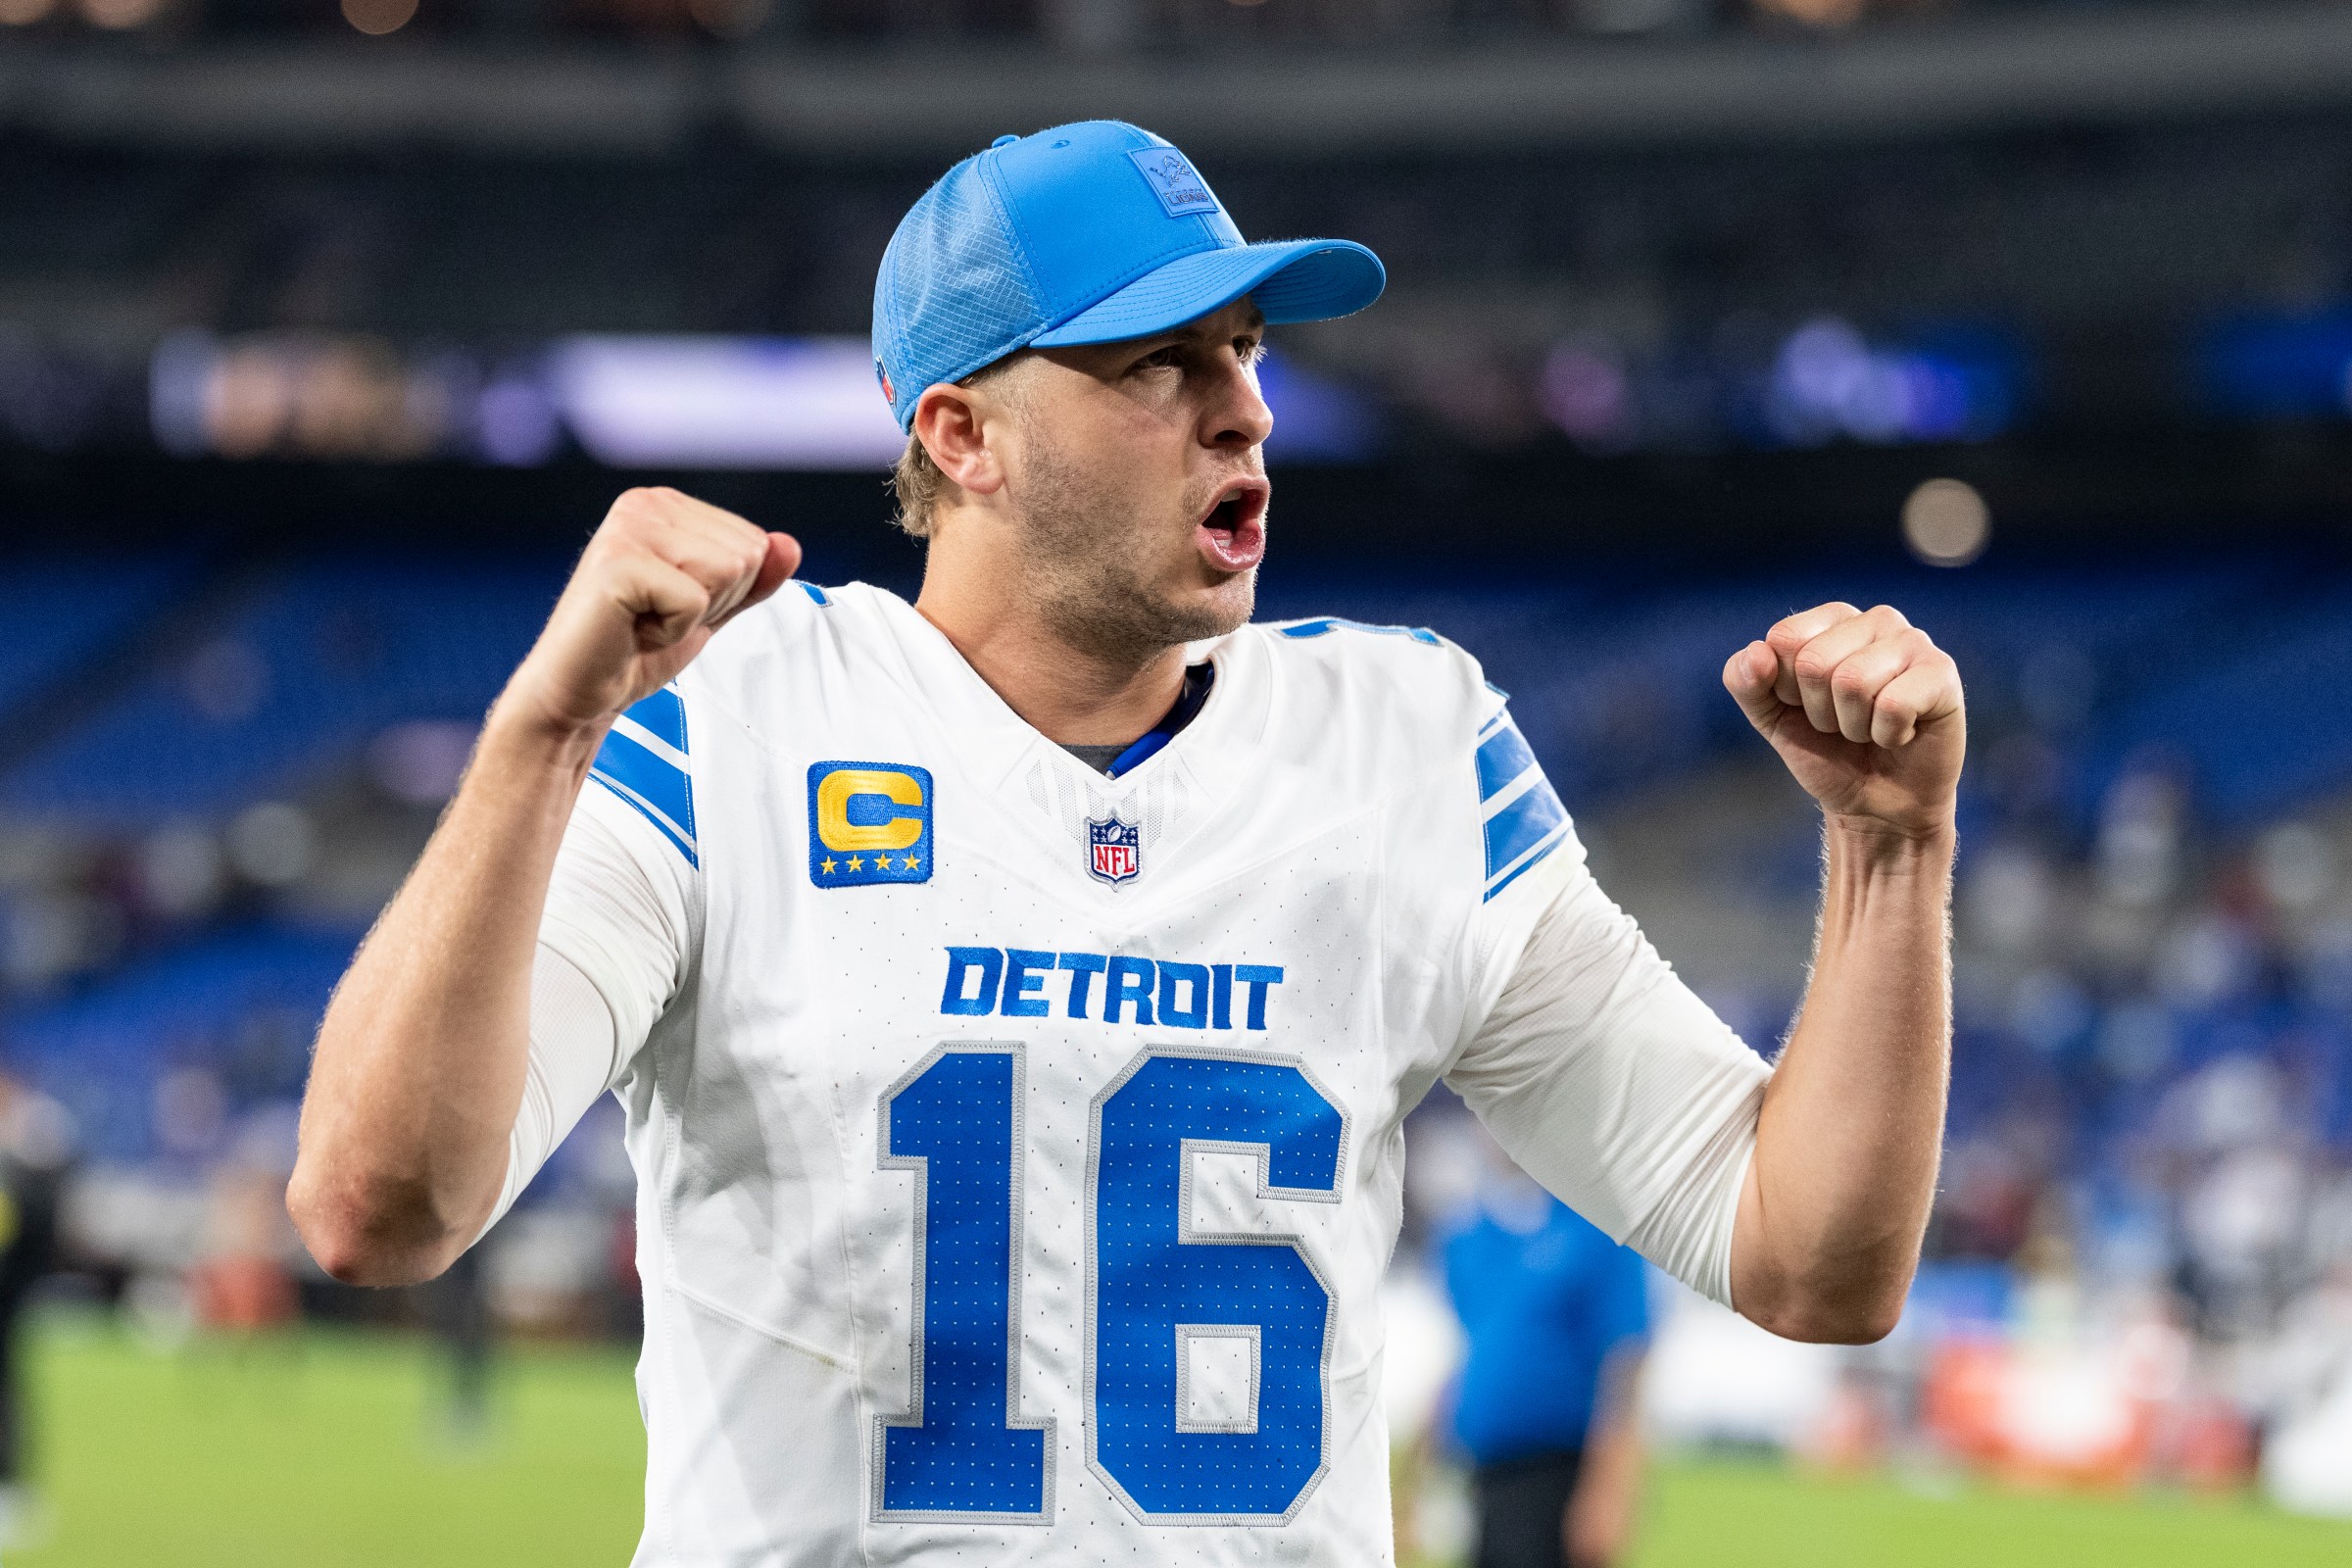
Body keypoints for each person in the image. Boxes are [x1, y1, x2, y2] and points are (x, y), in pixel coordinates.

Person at [287, 120, 1964, 1563]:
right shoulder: (735, 709)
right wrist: (539, 741)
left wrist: (1890, 858)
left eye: (1243, 353)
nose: (1245, 412)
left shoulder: (1406, 740)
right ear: (961, 434)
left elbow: (1806, 1254)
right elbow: (380, 1207)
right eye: (1160, 362)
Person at [1443, 1136, 1651, 1568]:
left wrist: (1609, 1490)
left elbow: (1626, 1365)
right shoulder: (1472, 1237)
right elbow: (1469, 1355)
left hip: (1560, 1470)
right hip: (1485, 1469)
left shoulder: (1596, 1232)